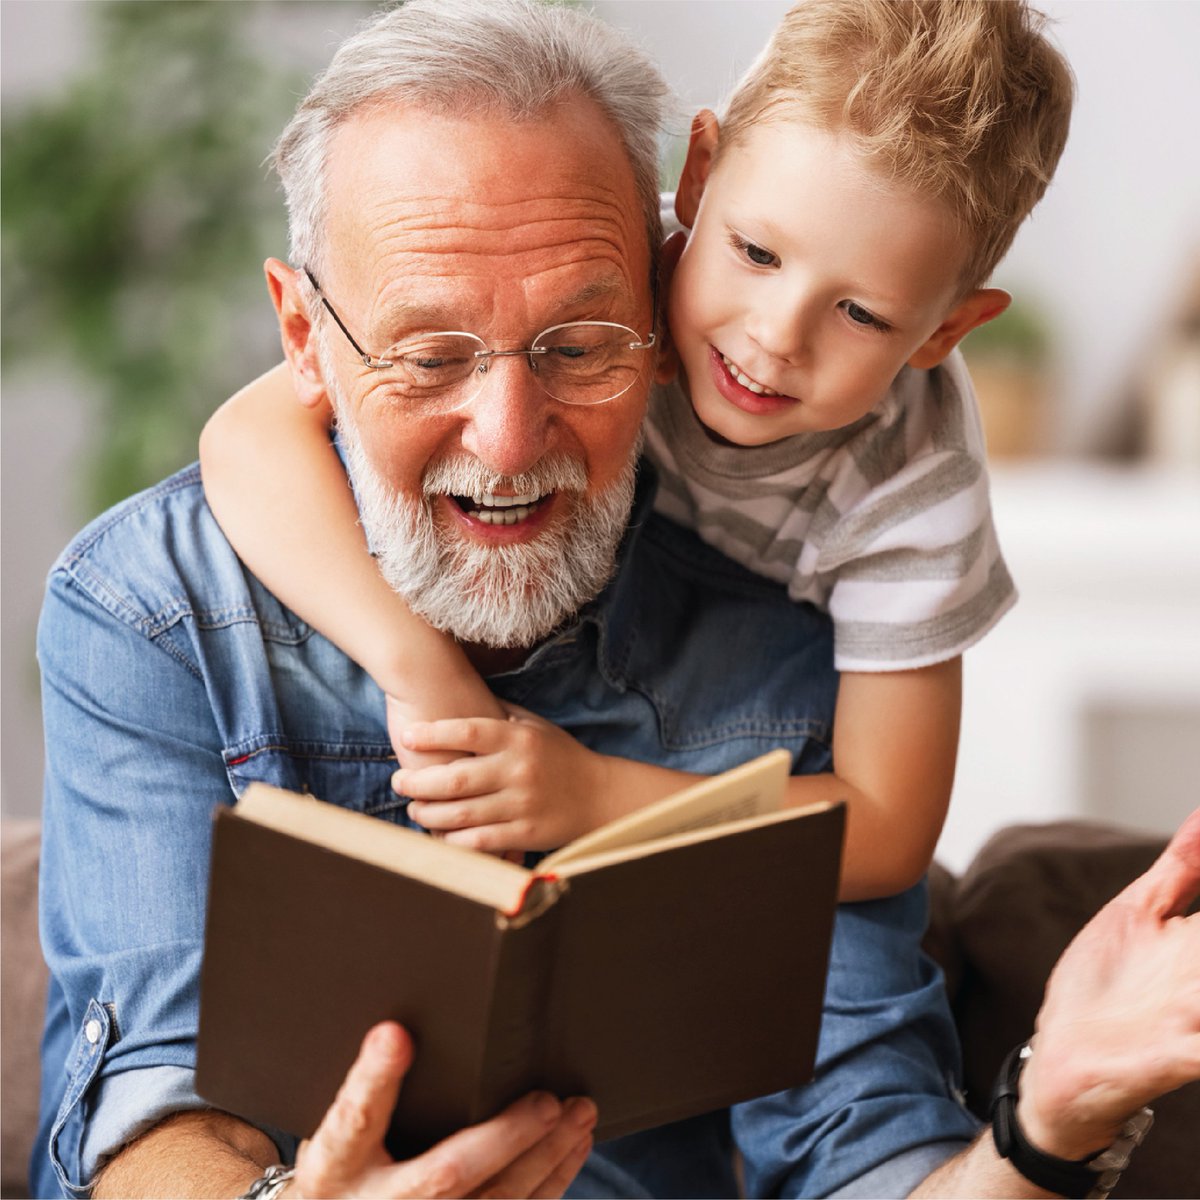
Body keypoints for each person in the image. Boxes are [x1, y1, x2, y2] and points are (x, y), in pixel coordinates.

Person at [33, 2, 1199, 1198]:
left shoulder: (816, 608)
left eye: (581, 342)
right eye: (432, 354)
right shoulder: (152, 609)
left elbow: (864, 1140)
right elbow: (148, 1111)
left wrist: (1043, 1123)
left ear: (642, 289)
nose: (508, 435)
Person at [198, 0, 1071, 902]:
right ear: (697, 178)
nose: (775, 337)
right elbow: (245, 438)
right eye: (756, 251)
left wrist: (596, 798)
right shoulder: (591, 279)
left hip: (716, 719)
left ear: (947, 330)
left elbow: (886, 831)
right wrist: (425, 675)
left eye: (862, 314)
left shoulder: (913, 487)